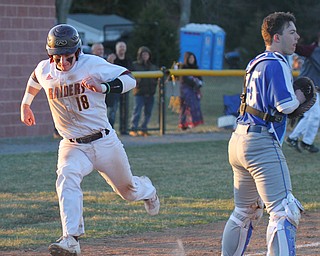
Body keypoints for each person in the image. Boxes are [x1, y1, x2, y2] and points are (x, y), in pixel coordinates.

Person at [20, 24, 160, 256]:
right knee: (66, 175)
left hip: (104, 142)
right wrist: (26, 104)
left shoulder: (92, 64)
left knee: (128, 192)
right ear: (49, 55)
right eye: (57, 57)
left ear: (77, 52)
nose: (63, 62)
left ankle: (148, 190)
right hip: (72, 144)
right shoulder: (46, 68)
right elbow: (35, 78)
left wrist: (104, 86)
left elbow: (130, 79)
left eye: (67, 56)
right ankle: (71, 239)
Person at [221, 12, 304, 255]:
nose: (297, 37)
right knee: (284, 210)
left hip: (238, 140)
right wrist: (302, 95)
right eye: (291, 32)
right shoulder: (278, 62)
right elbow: (287, 106)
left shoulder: (256, 61)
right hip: (260, 143)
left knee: (245, 211)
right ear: (276, 37)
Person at [285, 33, 320, 153]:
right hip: (306, 87)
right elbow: (300, 49)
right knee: (315, 115)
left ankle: (293, 138)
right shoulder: (312, 50)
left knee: (310, 116)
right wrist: (290, 40)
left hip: (314, 88)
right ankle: (306, 142)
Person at [129, 46, 158, 137]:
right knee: (137, 112)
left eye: (147, 54)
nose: (145, 56)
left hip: (150, 93)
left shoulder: (153, 67)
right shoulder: (135, 65)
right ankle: (133, 129)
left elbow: (157, 78)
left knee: (148, 113)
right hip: (139, 92)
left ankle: (143, 129)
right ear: (140, 55)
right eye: (143, 54)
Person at [105, 41, 133, 132]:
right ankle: (110, 130)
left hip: (125, 88)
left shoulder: (128, 59)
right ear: (116, 49)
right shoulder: (112, 58)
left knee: (125, 110)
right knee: (113, 110)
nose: (122, 48)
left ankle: (124, 129)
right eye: (120, 47)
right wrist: (110, 62)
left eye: (123, 47)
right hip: (114, 89)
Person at [178, 52, 204, 130]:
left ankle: (193, 123)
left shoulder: (196, 68)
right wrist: (194, 82)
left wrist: (199, 84)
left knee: (195, 107)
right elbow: (184, 79)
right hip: (185, 92)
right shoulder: (183, 68)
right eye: (190, 58)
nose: (191, 60)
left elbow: (200, 80)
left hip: (194, 91)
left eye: (193, 58)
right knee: (185, 108)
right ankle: (183, 124)